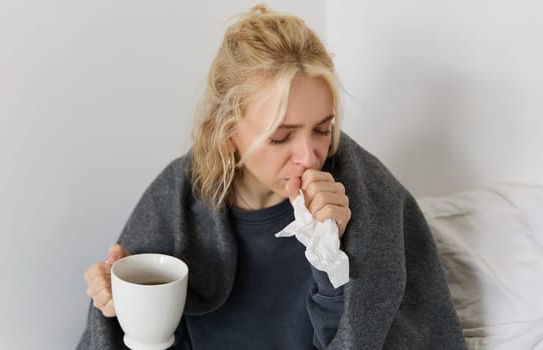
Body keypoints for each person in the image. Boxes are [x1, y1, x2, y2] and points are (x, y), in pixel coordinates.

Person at [78, 4, 465, 349]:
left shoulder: (369, 196)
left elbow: (380, 335)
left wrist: (332, 260)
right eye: (281, 136)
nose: (310, 156)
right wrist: (121, 303)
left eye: (322, 129)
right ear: (226, 132)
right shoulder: (177, 199)